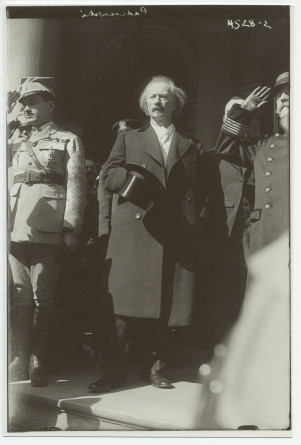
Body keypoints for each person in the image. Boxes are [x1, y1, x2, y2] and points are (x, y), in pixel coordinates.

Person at [88, 75, 208, 392]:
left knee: (163, 306)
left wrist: (193, 226)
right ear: (145, 103)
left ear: (175, 103)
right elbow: (108, 174)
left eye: (164, 97)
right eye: (152, 97)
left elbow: (199, 191)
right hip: (134, 233)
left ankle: (154, 369)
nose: (157, 101)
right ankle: (113, 373)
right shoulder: (129, 139)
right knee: (124, 313)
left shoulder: (190, 145)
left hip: (172, 234)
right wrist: (133, 180)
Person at [8, 77, 87, 387]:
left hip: (48, 227)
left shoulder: (67, 140)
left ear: (50, 105)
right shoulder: (12, 139)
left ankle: (38, 358)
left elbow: (77, 187)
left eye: (34, 102)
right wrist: (8, 118)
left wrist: (71, 228)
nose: (26, 107)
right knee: (19, 295)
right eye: (23, 102)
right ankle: (18, 356)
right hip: (15, 225)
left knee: (43, 296)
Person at [215, 72, 289, 254]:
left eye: (290, 92)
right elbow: (226, 148)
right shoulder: (264, 145)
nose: (284, 97)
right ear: (276, 109)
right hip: (266, 240)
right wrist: (245, 111)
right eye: (279, 96)